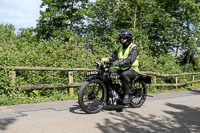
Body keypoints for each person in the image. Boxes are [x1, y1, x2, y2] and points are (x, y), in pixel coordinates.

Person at [109, 29, 139, 104]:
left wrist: (121, 62)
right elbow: (112, 58)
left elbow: (130, 59)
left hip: (132, 69)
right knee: (108, 73)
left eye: (124, 38)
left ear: (128, 38)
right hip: (122, 68)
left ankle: (127, 94)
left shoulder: (133, 47)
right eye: (121, 38)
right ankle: (112, 92)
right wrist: (105, 61)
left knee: (124, 74)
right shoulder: (119, 48)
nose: (122, 39)